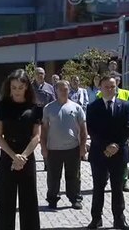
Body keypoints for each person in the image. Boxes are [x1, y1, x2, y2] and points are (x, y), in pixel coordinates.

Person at [0, 69, 40, 230]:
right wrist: (14, 157)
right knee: (5, 201)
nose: (17, 91)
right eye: (14, 87)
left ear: (27, 87)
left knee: (29, 201)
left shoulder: (35, 107)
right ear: (9, 87)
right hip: (8, 154)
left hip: (27, 155)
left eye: (20, 87)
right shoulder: (1, 105)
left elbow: (36, 136)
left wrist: (23, 157)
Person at [86, 75, 129, 230]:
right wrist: (107, 146)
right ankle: (96, 219)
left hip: (119, 153)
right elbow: (91, 129)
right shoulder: (93, 107)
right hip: (99, 153)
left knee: (117, 188)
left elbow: (128, 127)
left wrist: (116, 145)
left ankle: (119, 219)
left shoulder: (125, 106)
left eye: (113, 86)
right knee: (98, 187)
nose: (110, 89)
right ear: (100, 88)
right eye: (107, 86)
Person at [41, 80, 87, 210]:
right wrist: (43, 147)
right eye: (61, 89)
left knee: (73, 176)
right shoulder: (48, 108)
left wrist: (83, 147)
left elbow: (83, 129)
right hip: (53, 149)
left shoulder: (76, 107)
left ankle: (75, 199)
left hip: (72, 148)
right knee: (53, 177)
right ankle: (52, 199)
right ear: (56, 90)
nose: (63, 91)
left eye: (66, 89)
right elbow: (43, 129)